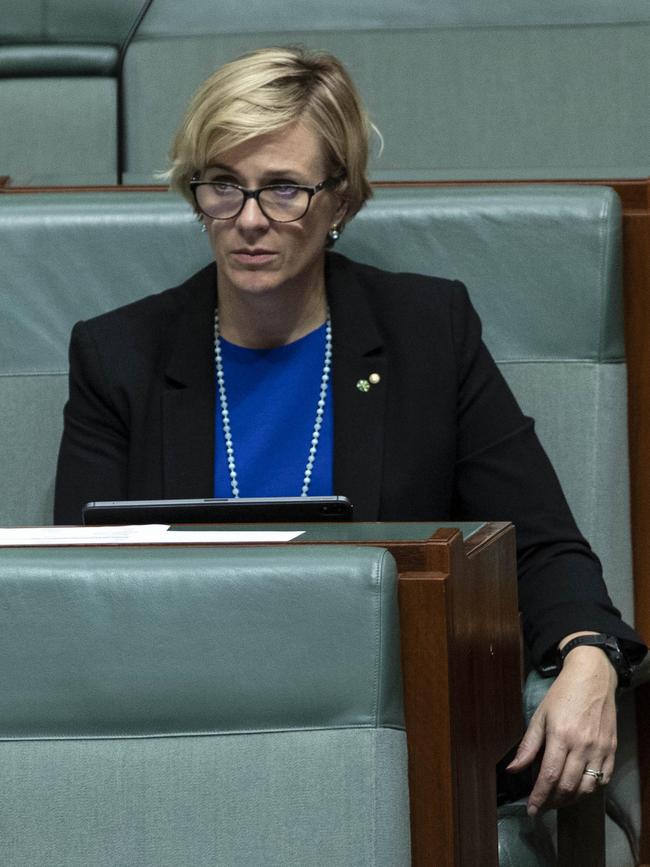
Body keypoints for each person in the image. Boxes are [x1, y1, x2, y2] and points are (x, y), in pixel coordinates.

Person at [54, 46, 645, 816]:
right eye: (224, 187)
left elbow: (540, 544)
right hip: (179, 742)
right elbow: (71, 595)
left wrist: (590, 656)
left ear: (342, 202)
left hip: (389, 740)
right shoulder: (119, 356)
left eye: (284, 189)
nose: (250, 220)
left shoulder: (428, 333)